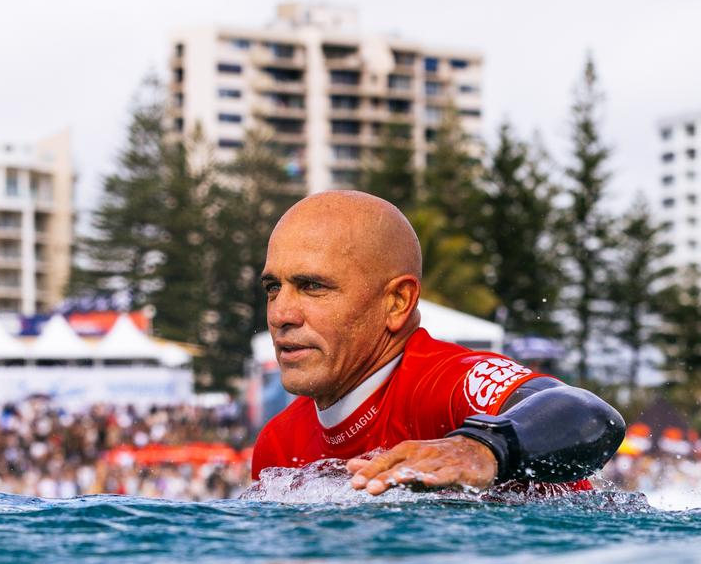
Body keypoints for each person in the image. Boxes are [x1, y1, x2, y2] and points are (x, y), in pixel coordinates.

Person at [253, 190, 625, 496]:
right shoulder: (277, 445)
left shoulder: (446, 385)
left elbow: (589, 415)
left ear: (397, 302)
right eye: (273, 288)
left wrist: (481, 447)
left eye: (312, 287)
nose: (280, 314)